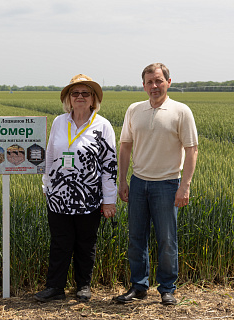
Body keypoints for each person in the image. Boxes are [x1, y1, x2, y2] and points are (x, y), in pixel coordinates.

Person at [113, 63, 198, 305]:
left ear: (169, 82)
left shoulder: (181, 111)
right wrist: (123, 181)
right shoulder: (134, 110)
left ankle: (167, 288)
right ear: (143, 85)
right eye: (149, 82)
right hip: (138, 182)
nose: (154, 86)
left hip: (168, 184)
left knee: (167, 239)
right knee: (136, 238)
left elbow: (192, 150)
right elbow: (125, 146)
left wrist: (185, 186)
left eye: (159, 81)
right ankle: (138, 286)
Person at [34, 74, 118, 302]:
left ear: (93, 99)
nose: (80, 97)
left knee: (85, 243)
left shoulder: (103, 126)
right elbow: (50, 155)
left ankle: (83, 286)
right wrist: (47, 185)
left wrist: (109, 199)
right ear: (68, 99)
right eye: (75, 93)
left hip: (89, 196)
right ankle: (55, 287)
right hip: (58, 195)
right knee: (60, 243)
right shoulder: (59, 122)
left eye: (85, 93)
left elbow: (110, 164)